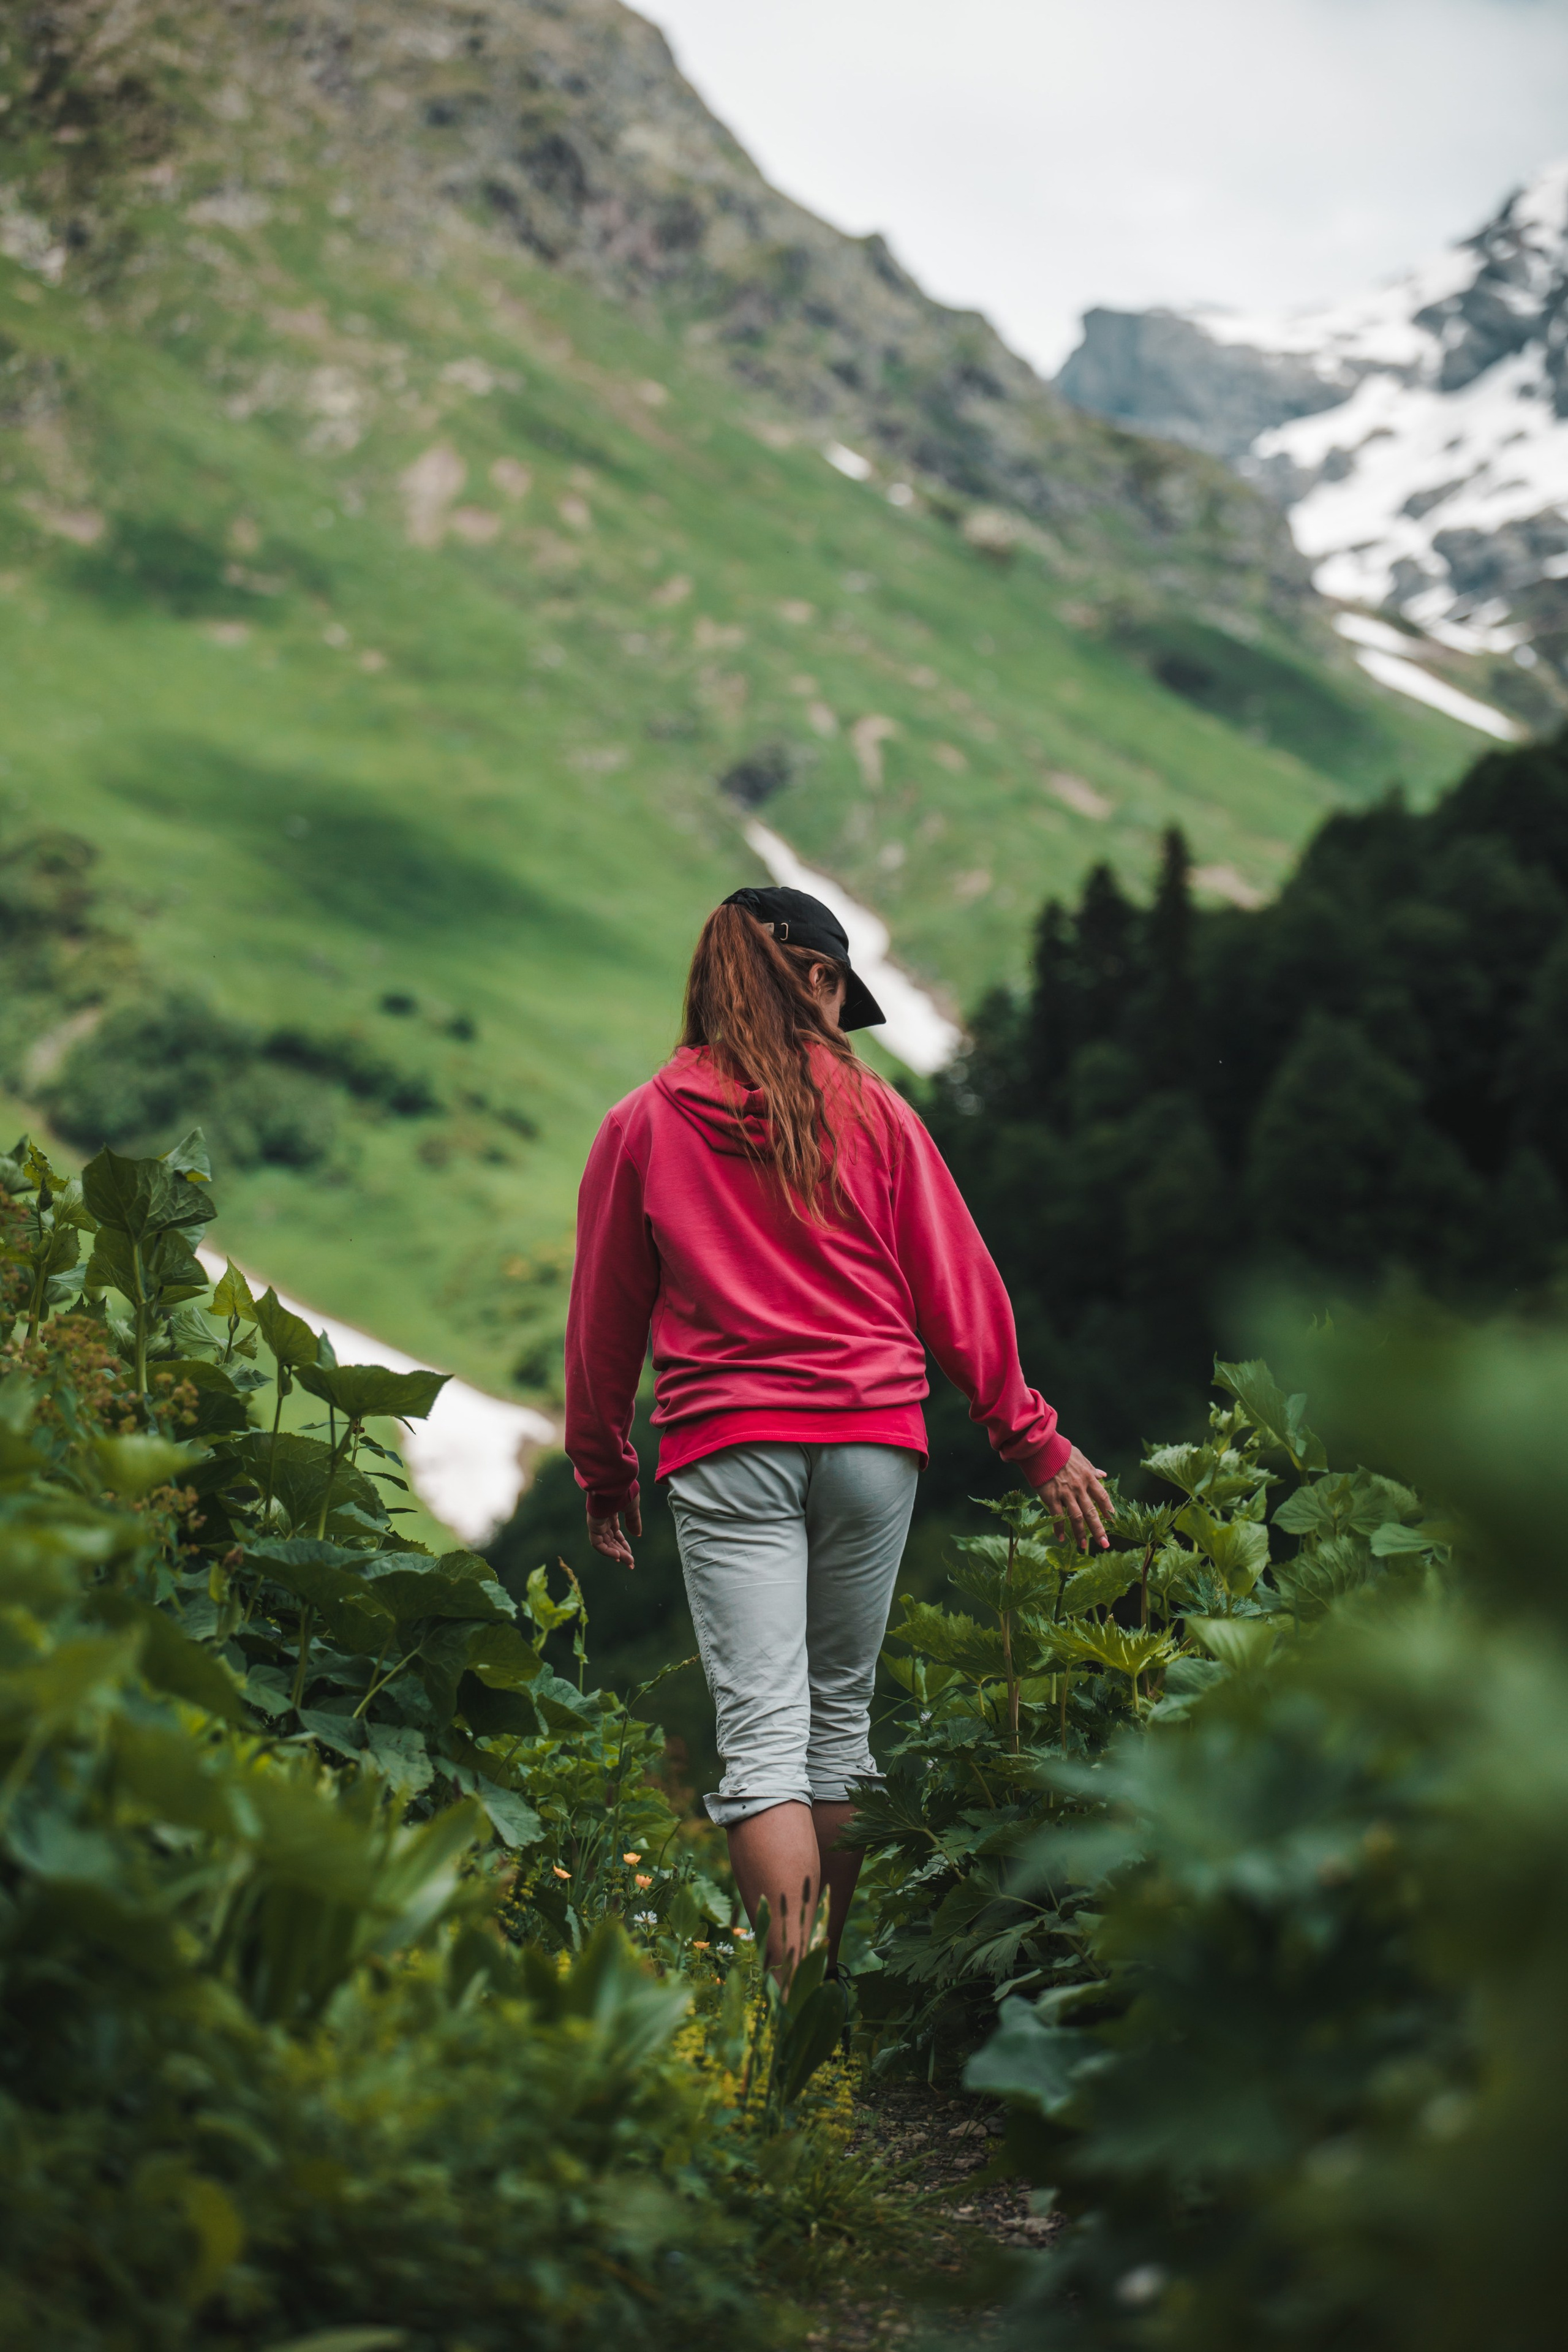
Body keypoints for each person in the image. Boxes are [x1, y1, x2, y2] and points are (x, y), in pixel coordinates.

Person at [564, 884, 1111, 1975]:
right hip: (872, 1442)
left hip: (728, 1446)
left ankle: (792, 2019)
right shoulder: (879, 1115)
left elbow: (604, 1317)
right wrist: (1032, 1438)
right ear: (812, 977)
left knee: (763, 1743)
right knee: (837, 1735)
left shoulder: (643, 1123)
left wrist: (605, 1469)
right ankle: (836, 2017)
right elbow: (959, 1287)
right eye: (835, 991)